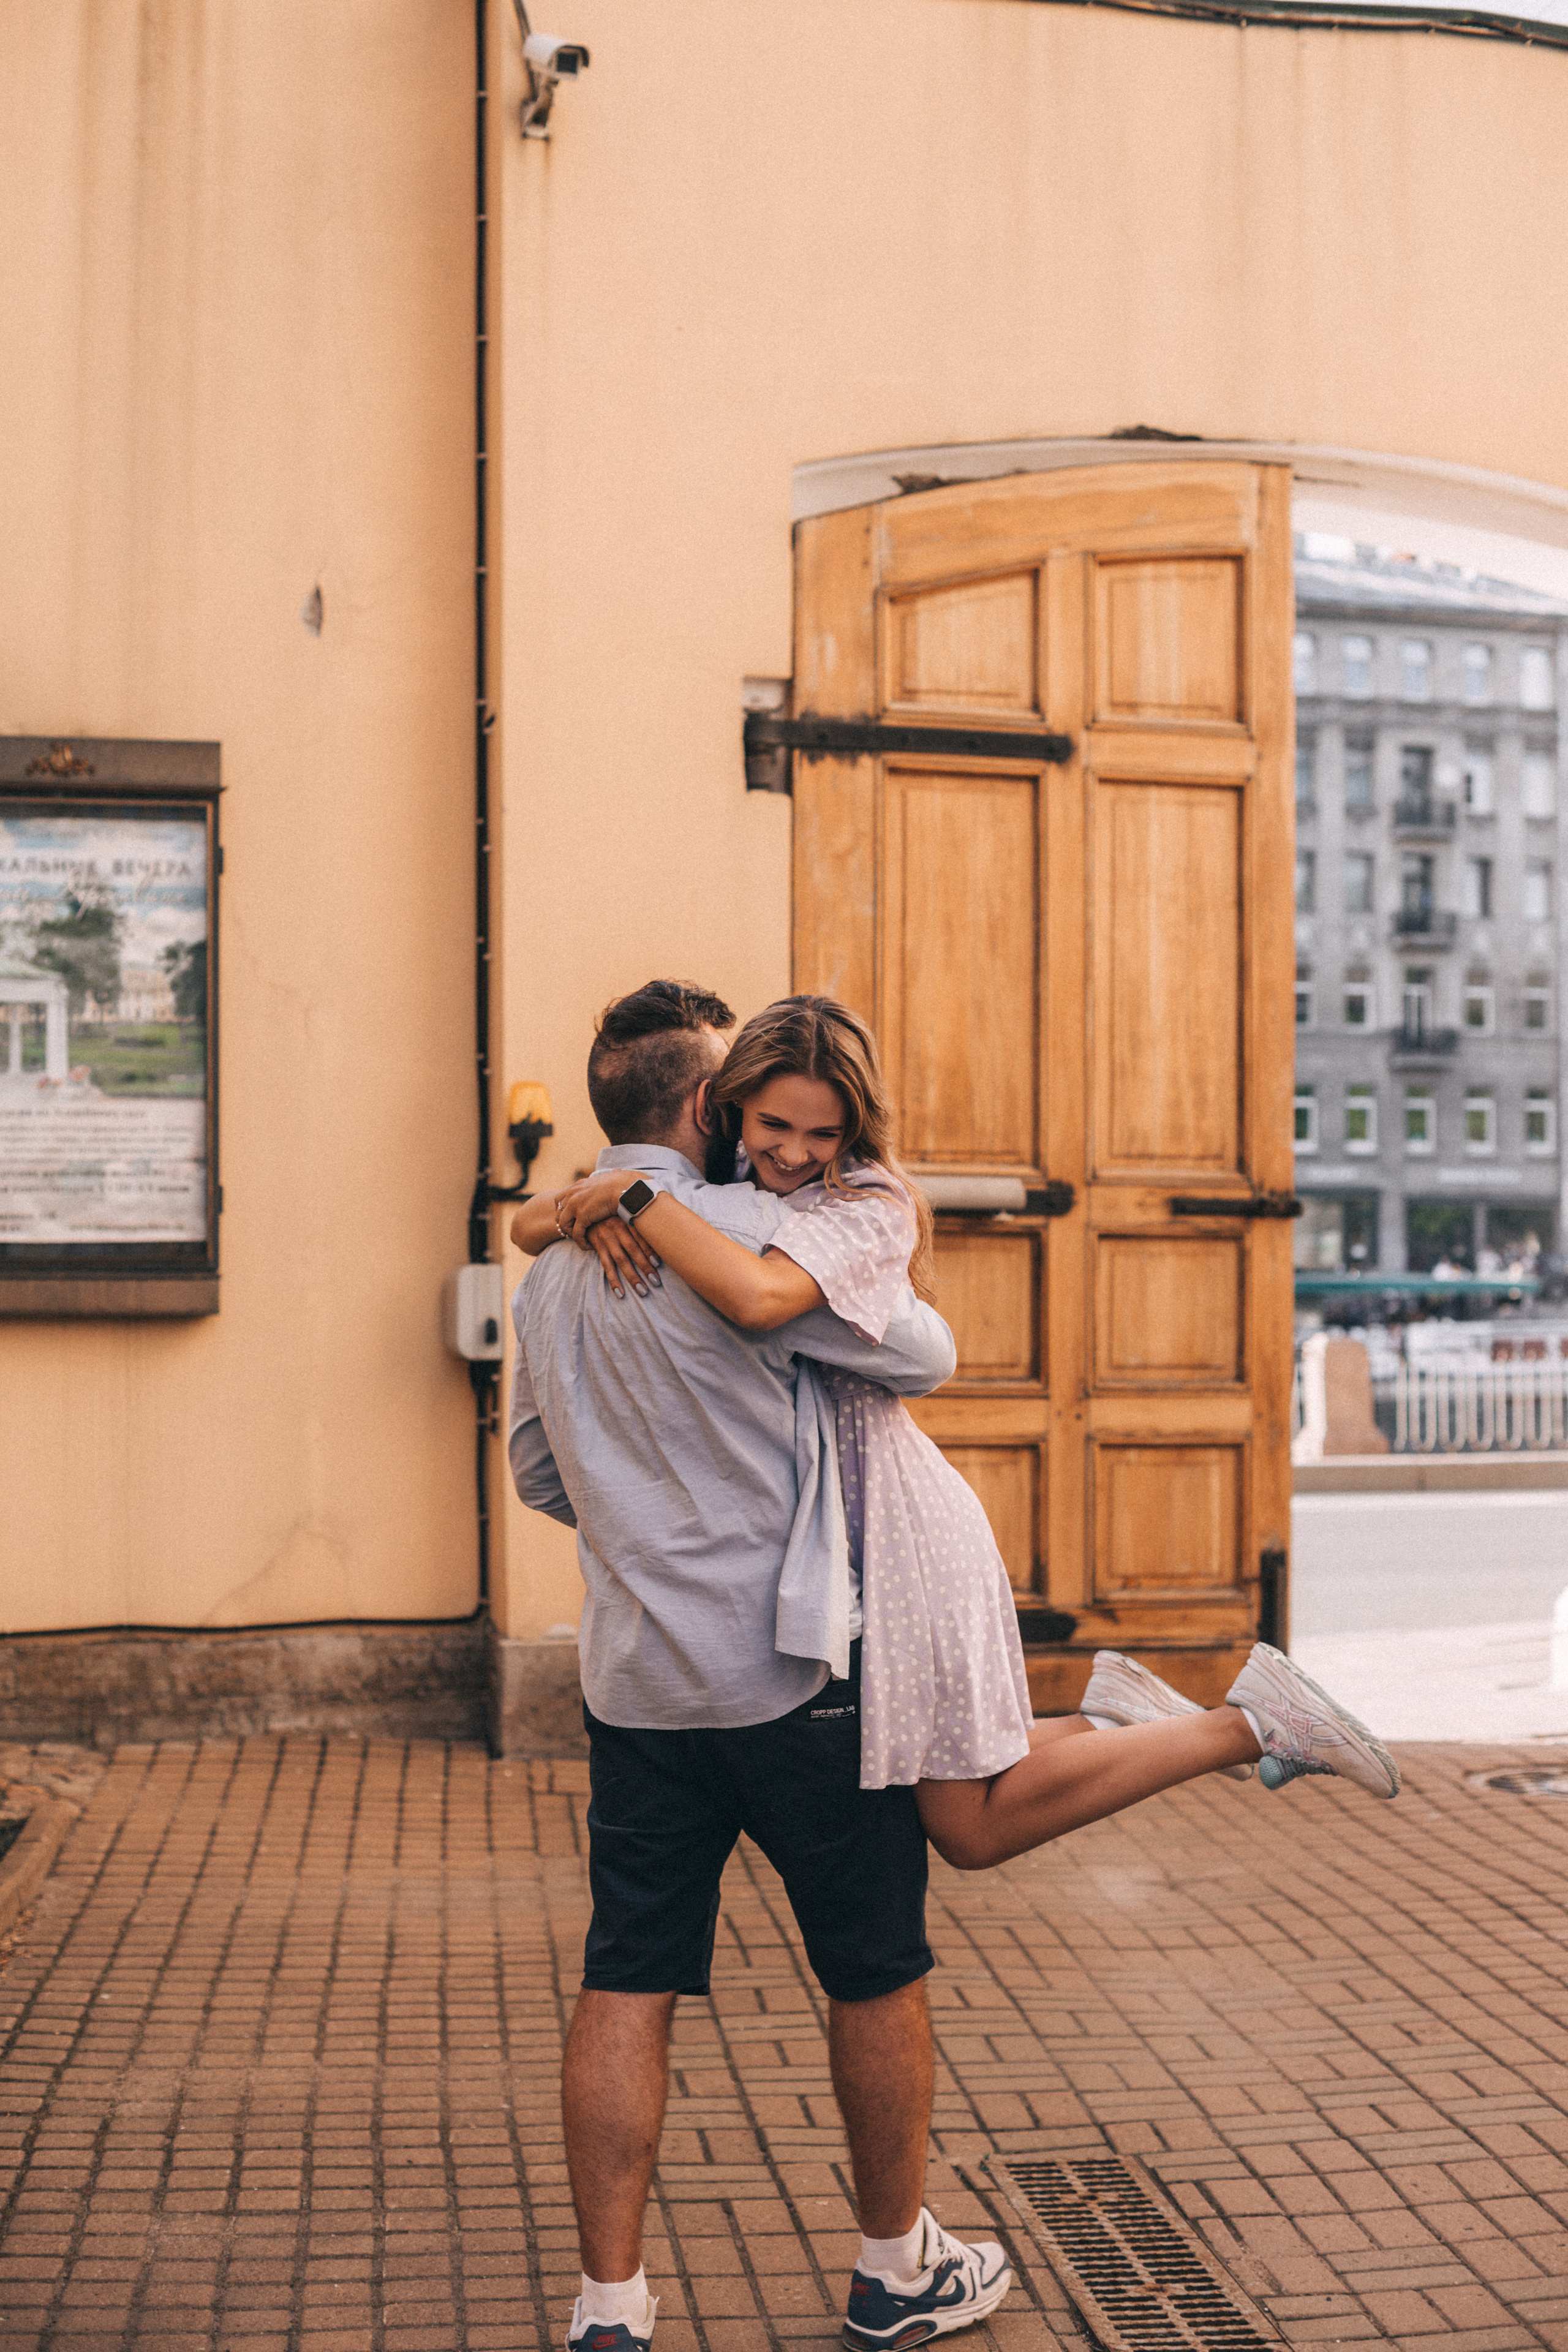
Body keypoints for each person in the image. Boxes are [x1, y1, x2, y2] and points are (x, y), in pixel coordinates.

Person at [520, 993, 1400, 1878]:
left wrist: (629, 1198)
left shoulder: (843, 1209)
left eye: (819, 1135)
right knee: (965, 1794)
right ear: (725, 1104)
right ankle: (1126, 1719)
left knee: (970, 1823)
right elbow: (536, 1229)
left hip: (904, 1538)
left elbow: (908, 1345)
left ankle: (1244, 1724)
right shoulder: (730, 1205)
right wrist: (576, 1211)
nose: (791, 1151)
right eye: (772, 1123)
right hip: (866, 1540)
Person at [507, 979, 1016, 2352]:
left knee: (628, 1975)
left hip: (633, 1683)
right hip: (798, 1678)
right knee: (871, 1968)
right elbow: (918, 1352)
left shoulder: (552, 1266)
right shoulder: (754, 1238)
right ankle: (892, 2269)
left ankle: (607, 2310)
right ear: (703, 1106)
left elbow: (542, 1473)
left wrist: (646, 1521)